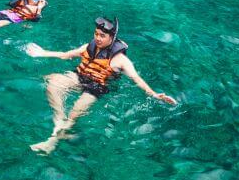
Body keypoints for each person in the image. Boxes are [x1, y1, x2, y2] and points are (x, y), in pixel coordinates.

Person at [25, 17, 176, 154]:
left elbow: (137, 78)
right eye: (96, 34)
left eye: (102, 36)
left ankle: (51, 142)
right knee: (53, 83)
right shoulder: (88, 47)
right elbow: (66, 54)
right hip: (80, 77)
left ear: (112, 38)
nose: (97, 38)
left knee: (74, 113)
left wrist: (154, 94)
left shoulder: (120, 59)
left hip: (96, 87)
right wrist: (43, 53)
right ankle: (59, 122)